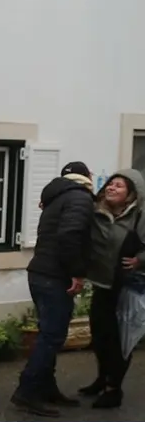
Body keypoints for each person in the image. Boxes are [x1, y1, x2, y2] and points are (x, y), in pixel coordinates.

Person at [12, 161, 95, 416]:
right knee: (52, 337)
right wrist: (77, 273)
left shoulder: (55, 197)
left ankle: (47, 388)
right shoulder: (79, 198)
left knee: (48, 333)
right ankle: (27, 391)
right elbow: (69, 236)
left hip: (40, 272)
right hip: (54, 276)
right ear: (87, 177)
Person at [82, 169, 145, 409]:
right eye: (110, 184)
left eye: (119, 186)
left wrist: (140, 260)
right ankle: (101, 379)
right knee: (100, 336)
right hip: (102, 284)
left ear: (131, 195)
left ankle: (113, 389)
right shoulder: (97, 212)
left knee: (119, 341)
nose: (111, 188)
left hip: (127, 287)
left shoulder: (139, 216)